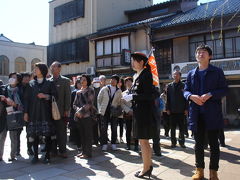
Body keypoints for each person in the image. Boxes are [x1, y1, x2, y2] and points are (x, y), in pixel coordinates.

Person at [184, 44, 228, 180]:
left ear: (210, 56)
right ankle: (199, 171)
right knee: (198, 145)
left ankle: (213, 172)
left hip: (212, 114)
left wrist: (210, 94)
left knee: (214, 145)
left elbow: (224, 90)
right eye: (198, 52)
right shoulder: (191, 73)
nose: (200, 54)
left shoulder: (217, 72)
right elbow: (185, 90)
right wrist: (191, 96)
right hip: (196, 115)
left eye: (203, 52)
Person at [122, 52, 155, 179]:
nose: (132, 63)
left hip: (144, 113)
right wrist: (130, 96)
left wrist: (133, 96)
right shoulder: (137, 75)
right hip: (139, 111)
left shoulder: (146, 74)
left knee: (144, 141)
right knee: (143, 141)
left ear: (141, 62)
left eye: (134, 60)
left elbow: (148, 95)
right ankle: (148, 165)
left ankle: (146, 168)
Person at [24, 63, 57, 164]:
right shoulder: (31, 84)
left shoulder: (49, 83)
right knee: (34, 135)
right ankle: (35, 156)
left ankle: (47, 156)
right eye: (35, 68)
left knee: (47, 135)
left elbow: (56, 96)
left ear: (42, 70)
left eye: (37, 68)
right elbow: (26, 100)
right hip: (33, 113)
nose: (35, 70)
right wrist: (26, 112)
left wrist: (45, 96)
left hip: (46, 113)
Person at [0, 73, 23, 161]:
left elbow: (23, 105)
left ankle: (12, 155)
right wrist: (2, 97)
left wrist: (14, 104)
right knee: (2, 136)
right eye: (10, 77)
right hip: (3, 115)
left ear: (18, 81)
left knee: (13, 137)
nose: (11, 79)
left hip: (15, 115)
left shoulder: (21, 90)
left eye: (14, 78)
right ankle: (0, 155)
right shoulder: (3, 88)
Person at [50, 61, 71, 158]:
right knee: (52, 132)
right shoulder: (48, 81)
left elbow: (68, 97)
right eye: (51, 67)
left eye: (54, 67)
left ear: (59, 68)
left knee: (62, 132)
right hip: (49, 112)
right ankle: (53, 150)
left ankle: (63, 150)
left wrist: (67, 109)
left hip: (61, 111)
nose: (52, 68)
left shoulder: (65, 81)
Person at [73, 74, 96, 158]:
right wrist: (77, 110)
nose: (82, 81)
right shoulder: (78, 92)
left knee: (88, 135)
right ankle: (83, 151)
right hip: (80, 116)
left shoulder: (91, 90)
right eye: (81, 80)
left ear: (88, 81)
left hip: (88, 116)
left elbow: (90, 103)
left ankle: (88, 153)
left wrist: (81, 111)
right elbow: (74, 104)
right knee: (82, 134)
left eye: (84, 80)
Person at [98, 75, 122, 151]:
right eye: (112, 79)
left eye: (115, 80)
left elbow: (120, 102)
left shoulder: (119, 91)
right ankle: (104, 144)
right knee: (104, 128)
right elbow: (99, 99)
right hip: (104, 111)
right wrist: (100, 109)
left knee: (114, 128)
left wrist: (118, 109)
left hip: (114, 112)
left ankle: (113, 143)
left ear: (117, 82)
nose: (113, 81)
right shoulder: (104, 88)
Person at [166, 70, 188, 148]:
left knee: (182, 128)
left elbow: (186, 98)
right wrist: (167, 108)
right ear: (172, 76)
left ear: (180, 76)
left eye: (177, 74)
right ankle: (173, 142)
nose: (175, 76)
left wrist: (186, 109)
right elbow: (167, 98)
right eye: (174, 74)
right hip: (172, 111)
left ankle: (182, 142)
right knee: (172, 128)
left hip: (181, 111)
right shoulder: (169, 86)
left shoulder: (184, 85)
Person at [121, 77, 138, 151]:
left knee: (136, 129)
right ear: (125, 84)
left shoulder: (136, 91)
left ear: (132, 82)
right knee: (128, 129)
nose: (128, 83)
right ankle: (128, 145)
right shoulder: (123, 93)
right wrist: (128, 110)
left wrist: (134, 110)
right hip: (127, 113)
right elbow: (122, 104)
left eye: (130, 81)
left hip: (136, 113)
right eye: (126, 82)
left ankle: (136, 145)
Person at [69, 78, 81, 152]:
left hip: (83, 113)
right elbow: (71, 104)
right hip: (75, 112)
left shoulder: (85, 91)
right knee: (75, 128)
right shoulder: (74, 92)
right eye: (78, 83)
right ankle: (76, 142)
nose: (80, 84)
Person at [117, 77, 125, 144]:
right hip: (115, 109)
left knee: (121, 124)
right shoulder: (114, 89)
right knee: (115, 125)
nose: (120, 83)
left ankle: (121, 137)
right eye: (118, 81)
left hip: (122, 109)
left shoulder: (123, 90)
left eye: (120, 82)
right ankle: (116, 137)